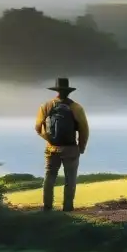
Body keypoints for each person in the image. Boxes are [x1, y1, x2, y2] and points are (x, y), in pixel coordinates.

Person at [34, 77, 90, 212]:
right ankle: (68, 208)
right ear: (69, 92)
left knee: (49, 177)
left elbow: (38, 127)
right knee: (70, 179)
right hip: (71, 148)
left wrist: (48, 139)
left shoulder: (46, 106)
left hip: (51, 149)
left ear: (56, 91)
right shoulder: (76, 107)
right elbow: (84, 129)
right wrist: (81, 147)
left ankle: (47, 207)